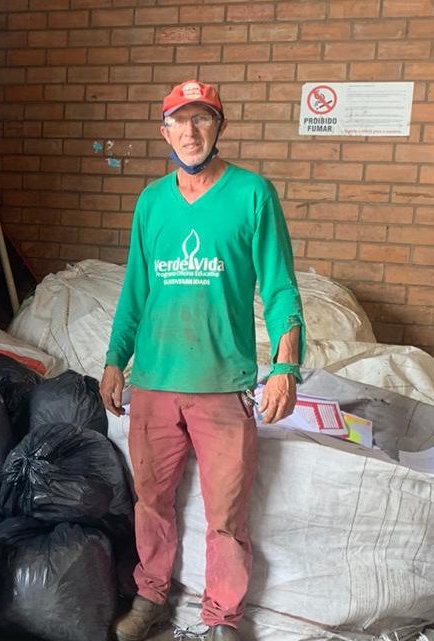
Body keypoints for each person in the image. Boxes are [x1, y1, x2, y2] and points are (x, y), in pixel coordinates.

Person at [100, 80, 304, 641]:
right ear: (163, 131)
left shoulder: (252, 195)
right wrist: (117, 359)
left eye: (203, 119)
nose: (191, 132)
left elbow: (281, 288)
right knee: (151, 501)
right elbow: (135, 290)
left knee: (227, 517)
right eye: (179, 121)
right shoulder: (151, 202)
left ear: (220, 127)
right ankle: (151, 599)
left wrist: (286, 367)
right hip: (155, 383)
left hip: (222, 384)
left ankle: (222, 619)